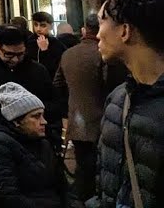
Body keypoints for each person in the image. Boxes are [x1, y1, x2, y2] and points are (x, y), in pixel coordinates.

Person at [93, 0, 164, 208]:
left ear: (125, 31)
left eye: (101, 23)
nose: (96, 34)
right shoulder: (118, 100)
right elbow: (106, 184)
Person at [54, 11, 124, 203]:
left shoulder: (68, 54)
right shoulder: (105, 54)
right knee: (105, 172)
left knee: (84, 171)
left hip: (78, 123)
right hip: (106, 121)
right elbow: (113, 85)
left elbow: (57, 84)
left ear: (84, 29)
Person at [0, 82, 70, 208]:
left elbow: (63, 187)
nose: (44, 122)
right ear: (16, 120)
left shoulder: (42, 143)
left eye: (42, 115)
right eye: (36, 117)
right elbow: (8, 198)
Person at [27, 11, 66, 78]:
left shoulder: (56, 44)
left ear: (51, 26)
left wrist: (44, 50)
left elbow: (55, 67)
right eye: (36, 25)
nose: (38, 29)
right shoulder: (29, 41)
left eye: (43, 25)